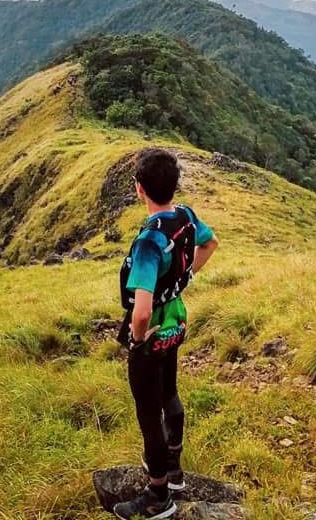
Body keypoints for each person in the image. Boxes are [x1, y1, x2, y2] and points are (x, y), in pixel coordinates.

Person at [113, 148, 219, 520]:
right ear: (174, 186)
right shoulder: (185, 217)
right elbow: (210, 244)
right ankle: (174, 472)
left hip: (153, 331)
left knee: (148, 414)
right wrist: (184, 279)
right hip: (176, 323)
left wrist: (138, 341)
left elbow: (140, 310)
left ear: (140, 189)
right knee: (170, 392)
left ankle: (159, 495)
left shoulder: (148, 243)